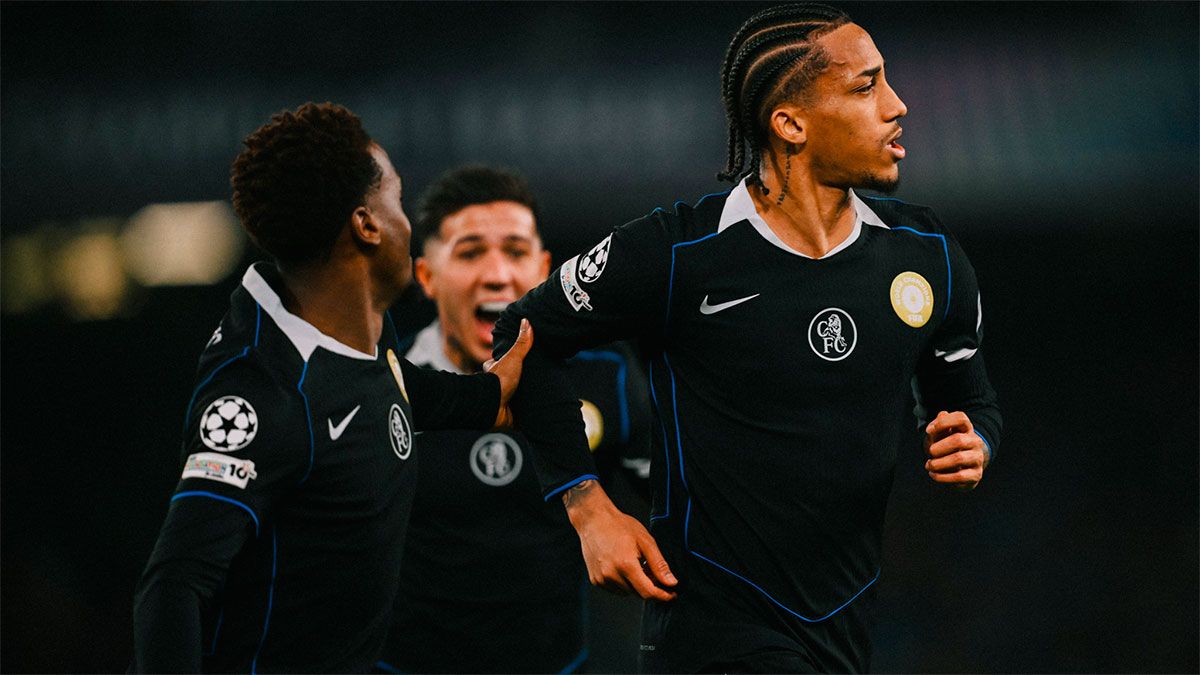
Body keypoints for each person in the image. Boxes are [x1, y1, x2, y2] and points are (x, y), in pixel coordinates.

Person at [491, 4, 1002, 672]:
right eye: (866, 86)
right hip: (710, 632)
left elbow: (967, 397)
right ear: (790, 124)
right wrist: (588, 506)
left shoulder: (926, 254)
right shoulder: (678, 252)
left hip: (843, 631)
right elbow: (520, 333)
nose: (897, 104)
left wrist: (973, 441)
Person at [131, 103, 533, 673]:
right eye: (397, 199)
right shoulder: (265, 395)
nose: (407, 225)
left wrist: (487, 396)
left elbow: (388, 384)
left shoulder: (358, 326)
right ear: (366, 225)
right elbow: (174, 584)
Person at [376, 165, 651, 674]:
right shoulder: (386, 387)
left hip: (563, 665)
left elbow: (677, 500)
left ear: (545, 269)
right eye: (470, 252)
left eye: (516, 251)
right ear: (426, 277)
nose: (498, 274)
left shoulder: (604, 373)